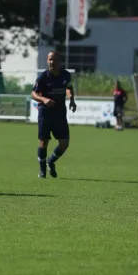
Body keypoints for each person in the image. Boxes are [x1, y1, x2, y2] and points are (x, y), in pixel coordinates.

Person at [31, 50, 77, 179]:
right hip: (45, 113)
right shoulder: (43, 77)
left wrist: (71, 99)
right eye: (49, 59)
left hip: (60, 113)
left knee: (64, 143)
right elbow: (33, 93)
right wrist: (44, 99)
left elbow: (68, 87)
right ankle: (42, 172)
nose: (51, 62)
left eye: (54, 60)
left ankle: (50, 161)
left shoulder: (65, 75)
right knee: (43, 141)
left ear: (59, 61)